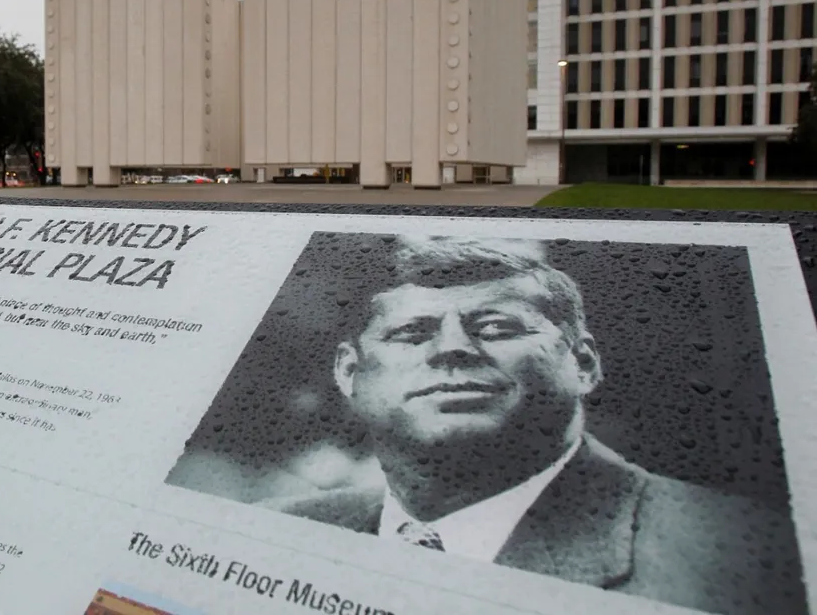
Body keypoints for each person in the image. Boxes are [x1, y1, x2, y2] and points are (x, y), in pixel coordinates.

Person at [260, 236, 807, 614]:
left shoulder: (739, 557)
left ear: (584, 363)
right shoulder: (277, 529)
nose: (452, 349)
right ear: (349, 372)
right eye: (411, 333)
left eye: (497, 328)